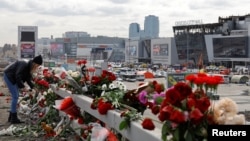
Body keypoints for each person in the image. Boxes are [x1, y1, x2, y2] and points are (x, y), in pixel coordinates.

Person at [3, 55, 43, 124]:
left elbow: (28, 79)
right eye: (37, 65)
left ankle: (11, 116)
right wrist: (23, 87)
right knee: (15, 96)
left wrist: (34, 88)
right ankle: (13, 118)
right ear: (34, 63)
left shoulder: (29, 67)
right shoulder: (24, 64)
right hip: (9, 76)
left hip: (13, 77)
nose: (37, 67)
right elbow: (18, 76)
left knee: (16, 96)